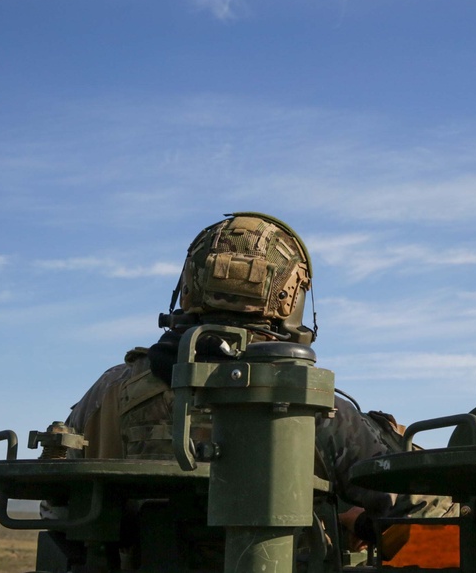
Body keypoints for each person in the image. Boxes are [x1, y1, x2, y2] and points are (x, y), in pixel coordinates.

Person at [64, 212, 455, 563]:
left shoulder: (111, 389)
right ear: (290, 299)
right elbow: (424, 513)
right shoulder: (313, 404)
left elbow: (61, 508)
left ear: (189, 287)